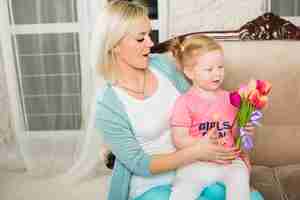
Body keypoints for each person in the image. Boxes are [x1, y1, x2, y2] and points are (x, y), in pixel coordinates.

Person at [92, 1, 264, 200]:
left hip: (196, 171)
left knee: (254, 198)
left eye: (149, 35)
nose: (150, 43)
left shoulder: (164, 67)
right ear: (115, 47)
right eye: (141, 39)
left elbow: (204, 107)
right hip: (150, 186)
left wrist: (239, 136)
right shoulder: (107, 103)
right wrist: (196, 152)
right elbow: (139, 163)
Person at [169, 35, 251, 200]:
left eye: (220, 67)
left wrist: (245, 130)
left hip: (228, 161)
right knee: (183, 188)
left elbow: (234, 135)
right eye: (209, 69)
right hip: (197, 162)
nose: (217, 73)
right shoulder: (184, 102)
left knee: (240, 174)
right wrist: (203, 145)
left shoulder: (230, 98)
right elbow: (179, 139)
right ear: (190, 72)